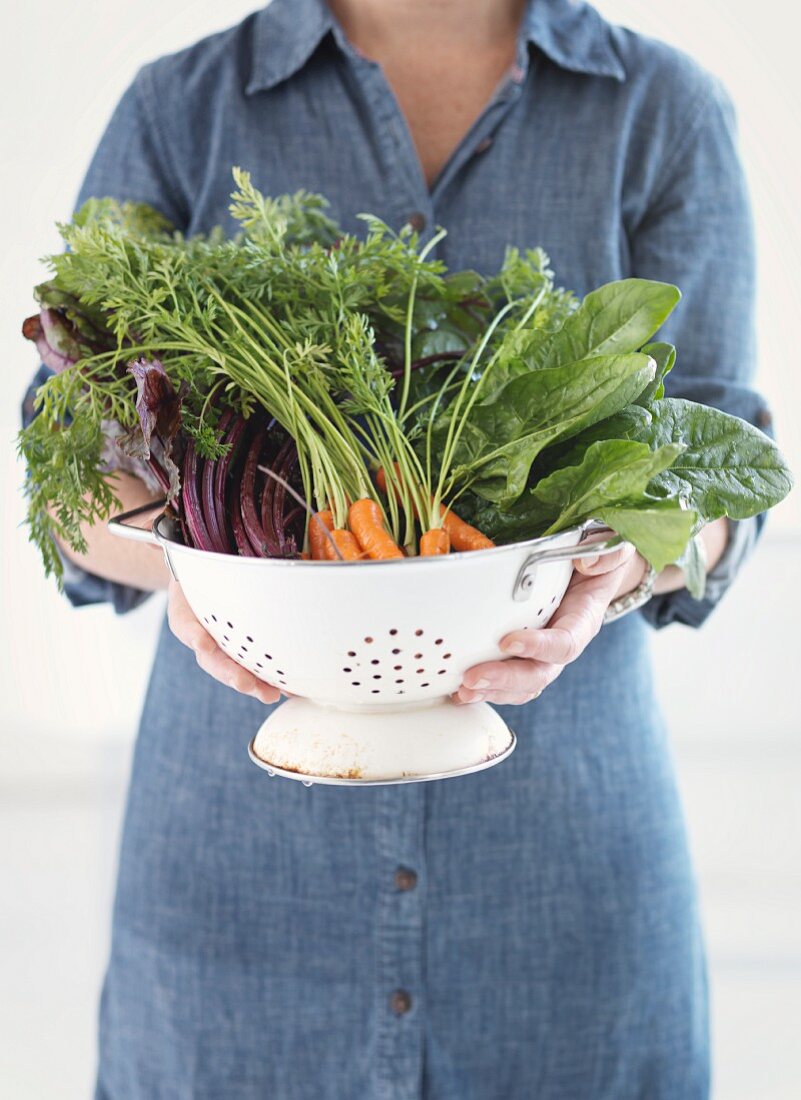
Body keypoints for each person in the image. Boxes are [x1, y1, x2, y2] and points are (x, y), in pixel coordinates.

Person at [22, 1, 772, 1096]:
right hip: (240, 893)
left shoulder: (661, 112)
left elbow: (724, 476)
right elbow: (71, 473)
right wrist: (201, 566)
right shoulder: (183, 108)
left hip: (559, 894)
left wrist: (616, 563)